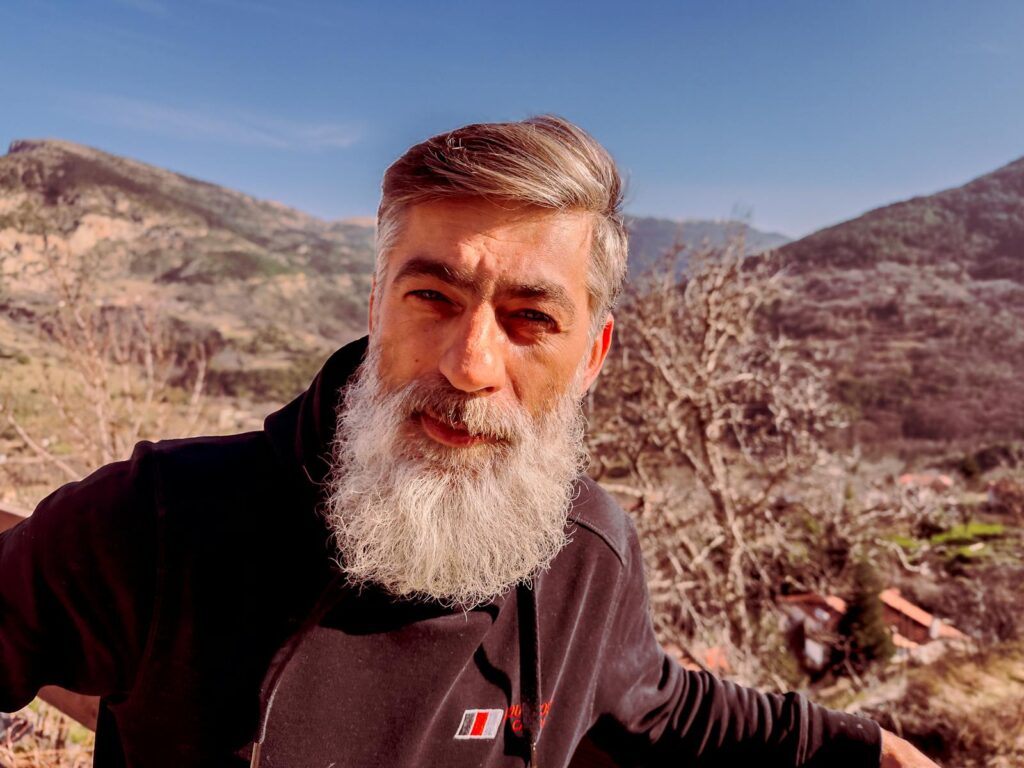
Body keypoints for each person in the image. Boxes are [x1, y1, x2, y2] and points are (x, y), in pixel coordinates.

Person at [1, 116, 937, 767]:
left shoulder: (590, 557)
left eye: (531, 317)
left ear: (593, 355)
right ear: (376, 308)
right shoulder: (166, 521)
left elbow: (658, 703)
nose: (470, 363)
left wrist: (869, 751)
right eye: (432, 298)